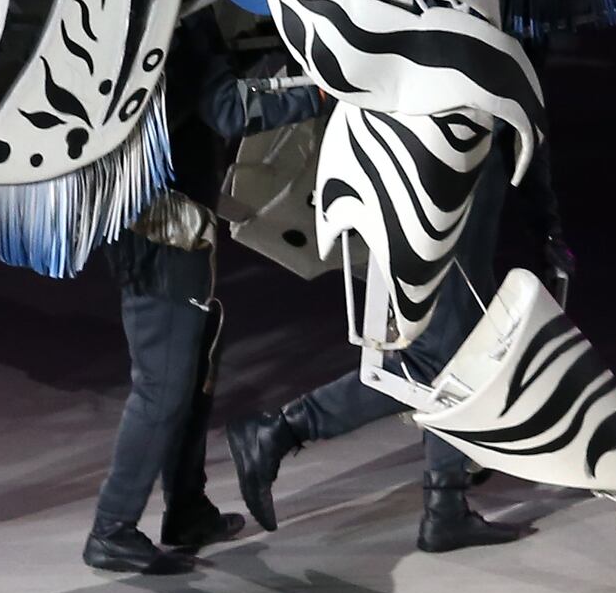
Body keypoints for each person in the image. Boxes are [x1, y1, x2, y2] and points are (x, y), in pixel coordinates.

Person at [83, 8, 326, 575]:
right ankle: (111, 528)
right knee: (164, 388)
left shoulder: (141, 10)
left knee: (191, 379)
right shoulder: (177, 20)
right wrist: (320, 91)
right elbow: (228, 108)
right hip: (164, 231)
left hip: (155, 223)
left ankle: (186, 508)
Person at [222, 161, 542, 556]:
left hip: (455, 206)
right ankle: (283, 430)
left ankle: (445, 507)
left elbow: (526, 125)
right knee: (442, 363)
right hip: (434, 199)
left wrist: (550, 227)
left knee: (449, 361)